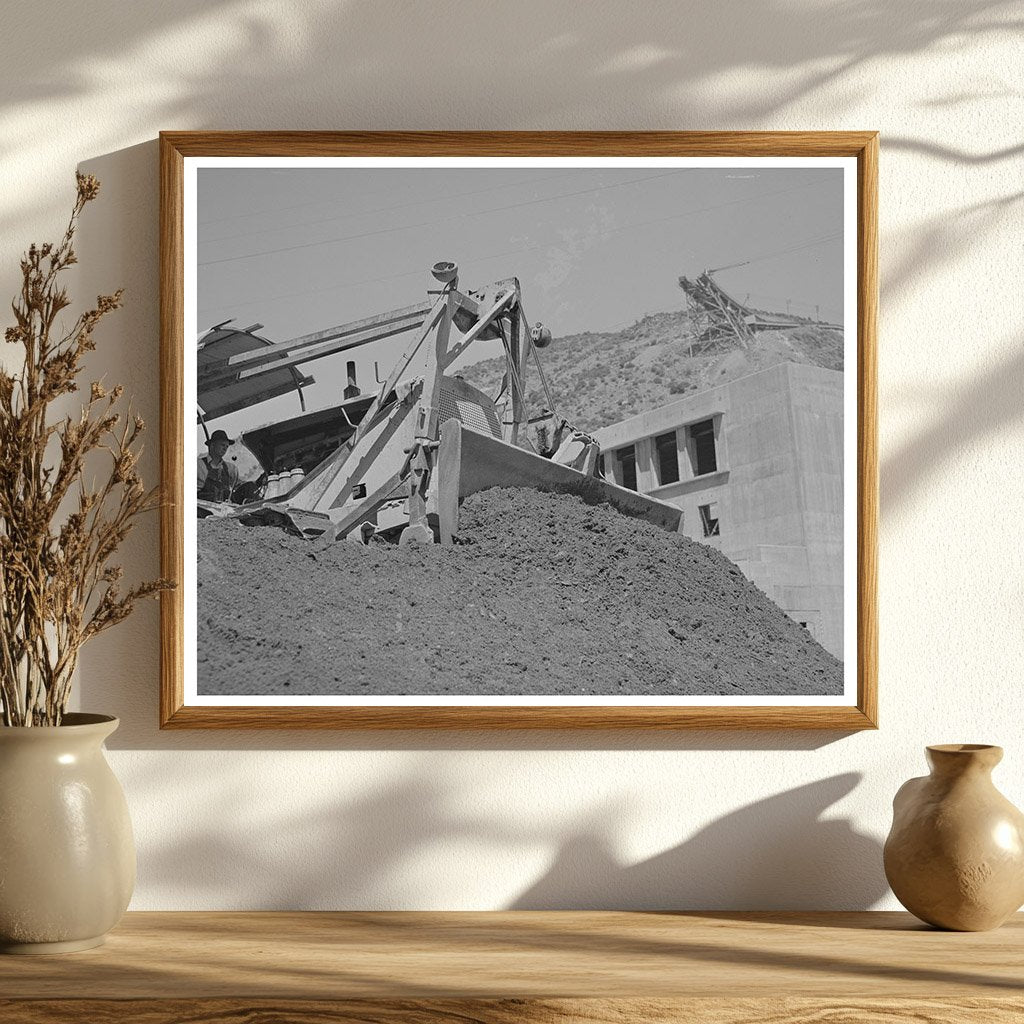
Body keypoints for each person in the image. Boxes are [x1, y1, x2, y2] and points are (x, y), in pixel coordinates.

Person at [197, 429, 240, 502]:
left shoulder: (231, 468)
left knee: (249, 486)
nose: (225, 449)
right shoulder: (198, 465)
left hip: (225, 507)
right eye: (222, 445)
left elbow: (236, 487)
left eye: (227, 446)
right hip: (204, 506)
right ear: (212, 445)